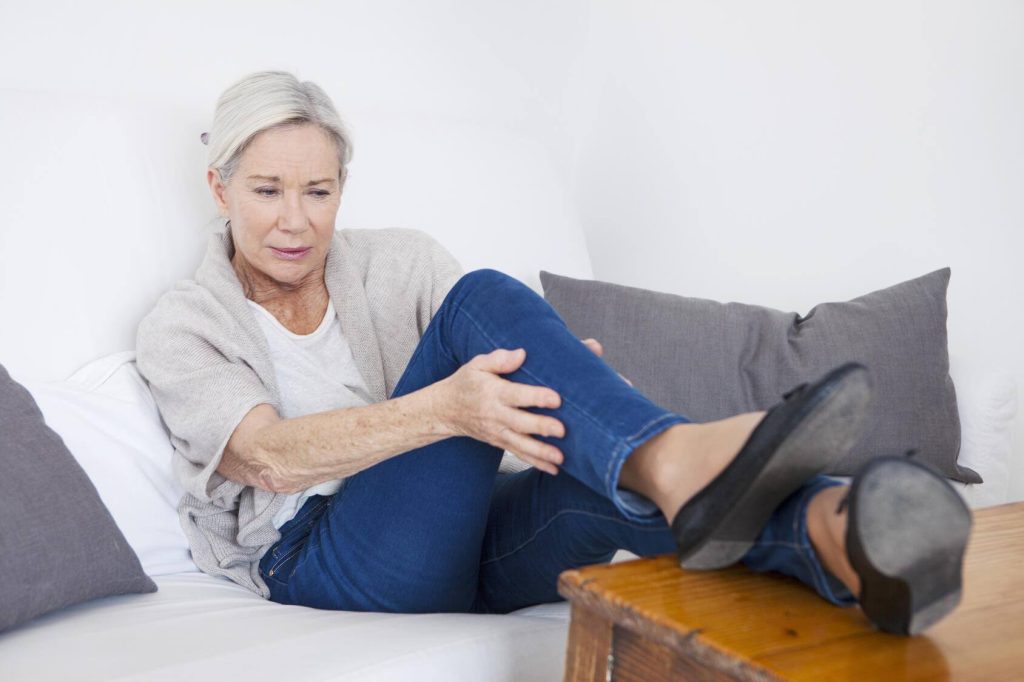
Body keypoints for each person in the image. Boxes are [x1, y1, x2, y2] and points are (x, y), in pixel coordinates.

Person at [135, 70, 971, 637]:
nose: (295, 220)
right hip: (327, 559)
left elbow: (499, 361)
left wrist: (562, 381)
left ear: (341, 191)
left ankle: (849, 541)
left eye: (318, 192)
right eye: (267, 191)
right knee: (480, 303)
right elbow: (268, 459)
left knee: (610, 483)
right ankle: (677, 451)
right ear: (220, 188)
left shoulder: (400, 260)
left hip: (469, 545)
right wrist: (448, 410)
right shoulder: (185, 322)